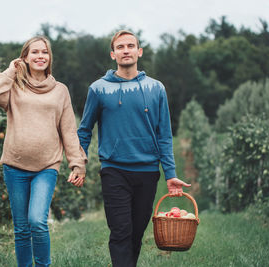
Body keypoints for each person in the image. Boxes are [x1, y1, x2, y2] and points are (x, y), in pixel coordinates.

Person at [77, 30, 191, 267]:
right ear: (113, 54)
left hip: (147, 171)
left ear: (139, 52)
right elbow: (85, 130)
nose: (126, 50)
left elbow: (164, 135)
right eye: (120, 47)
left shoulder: (156, 88)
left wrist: (170, 174)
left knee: (136, 233)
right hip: (113, 169)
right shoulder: (98, 89)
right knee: (120, 231)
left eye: (131, 46)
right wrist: (79, 163)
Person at [0, 36, 86, 267]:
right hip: (14, 166)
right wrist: (11, 70)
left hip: (46, 166)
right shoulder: (15, 87)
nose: (40, 56)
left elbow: (69, 130)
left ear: (50, 58)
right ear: (25, 57)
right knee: (21, 229)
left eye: (45, 52)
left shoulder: (60, 91)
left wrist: (77, 163)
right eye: (35, 52)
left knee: (37, 221)